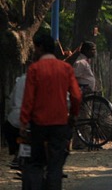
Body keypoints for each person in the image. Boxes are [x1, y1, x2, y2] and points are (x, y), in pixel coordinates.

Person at [20, 34, 82, 190]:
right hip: (59, 123)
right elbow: (76, 96)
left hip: (38, 124)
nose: (34, 51)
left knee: (35, 163)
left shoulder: (34, 69)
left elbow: (28, 99)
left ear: (40, 48)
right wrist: (73, 115)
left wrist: (23, 122)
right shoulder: (66, 68)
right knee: (55, 165)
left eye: (35, 48)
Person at [3, 68, 26, 169]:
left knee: (8, 127)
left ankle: (16, 152)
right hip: (38, 120)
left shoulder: (21, 79)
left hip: (16, 119)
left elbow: (12, 100)